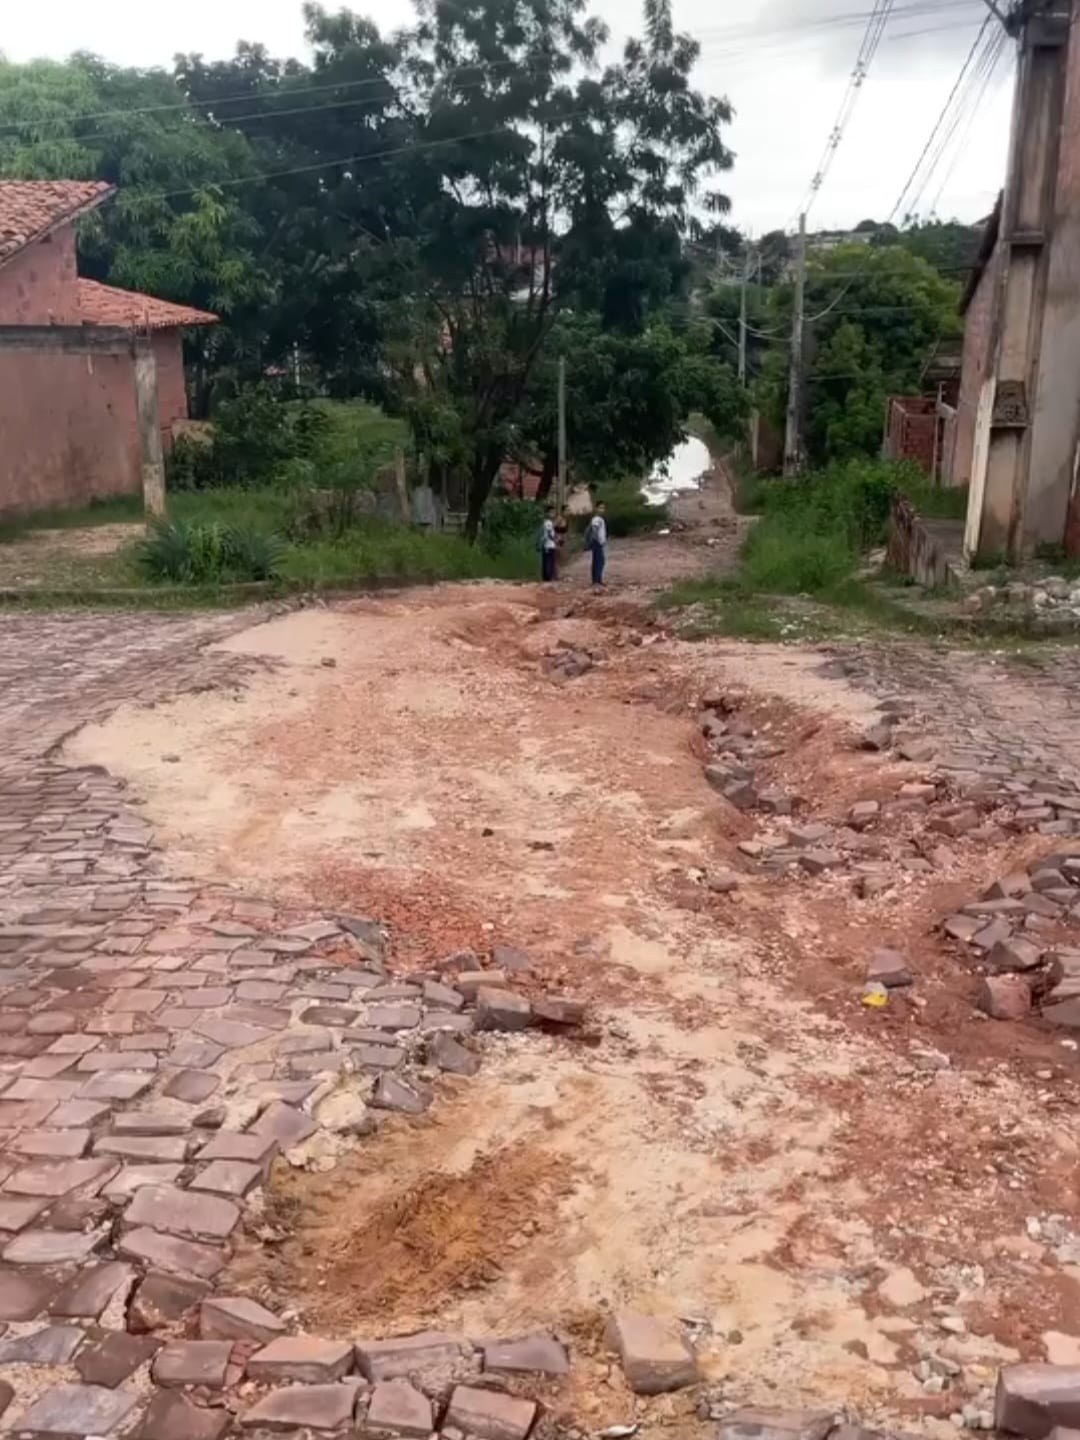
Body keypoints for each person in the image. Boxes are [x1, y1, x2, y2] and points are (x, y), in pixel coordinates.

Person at [585, 501, 608, 588]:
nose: (602, 510)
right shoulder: (596, 519)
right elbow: (595, 530)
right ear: (596, 508)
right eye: (600, 508)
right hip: (597, 542)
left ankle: (598, 580)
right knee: (598, 561)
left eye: (603, 508)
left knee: (600, 561)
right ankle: (596, 581)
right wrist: (597, 541)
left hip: (600, 542)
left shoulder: (600, 519)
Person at [539, 504, 557, 582]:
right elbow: (549, 534)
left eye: (553, 512)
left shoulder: (548, 522)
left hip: (549, 545)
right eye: (551, 512)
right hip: (548, 545)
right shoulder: (548, 522)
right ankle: (548, 578)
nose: (553, 514)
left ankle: (547, 577)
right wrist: (555, 540)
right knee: (548, 561)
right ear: (547, 513)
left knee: (548, 561)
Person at [553, 508, 569, 578]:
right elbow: (553, 527)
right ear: (563, 511)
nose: (568, 512)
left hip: (563, 539)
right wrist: (556, 538)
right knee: (557, 556)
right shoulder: (559, 519)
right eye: (566, 510)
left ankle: (558, 573)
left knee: (562, 557)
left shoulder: (565, 520)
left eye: (568, 511)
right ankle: (556, 574)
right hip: (558, 539)